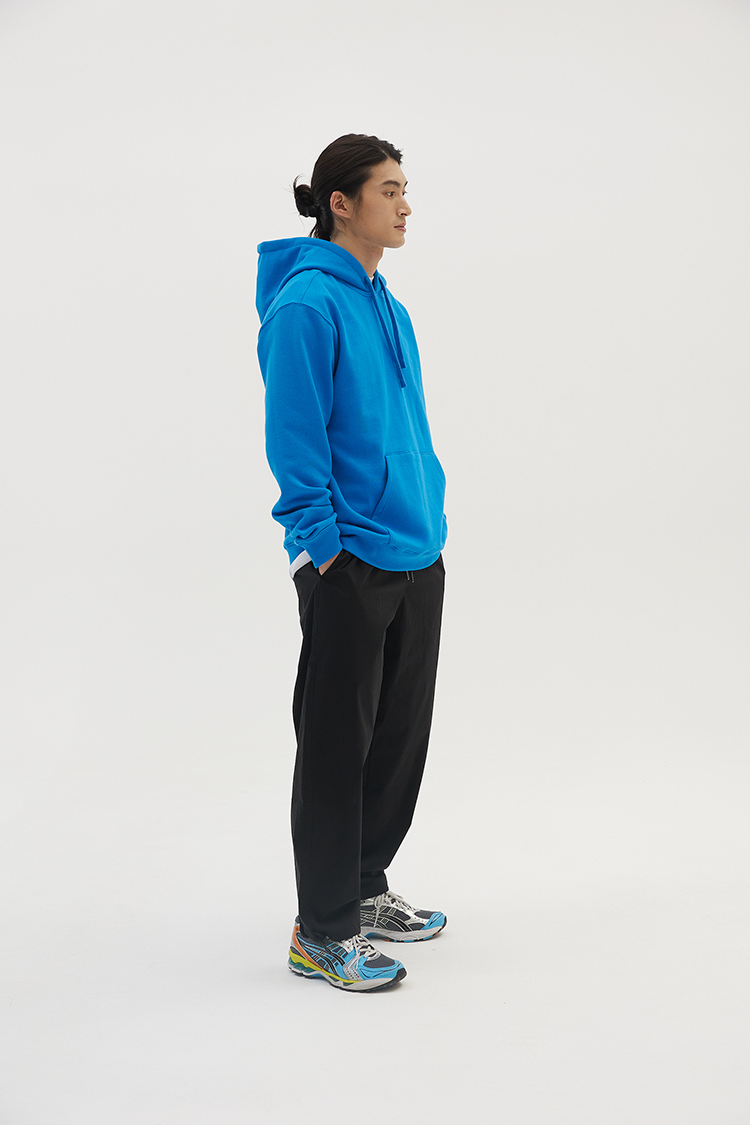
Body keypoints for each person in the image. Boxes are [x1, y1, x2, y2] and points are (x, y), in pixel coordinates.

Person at [256, 134, 447, 992]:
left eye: (406, 189)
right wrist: (323, 547)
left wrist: (431, 520)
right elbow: (294, 440)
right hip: (349, 560)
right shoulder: (307, 304)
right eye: (389, 189)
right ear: (342, 202)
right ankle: (322, 930)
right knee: (337, 745)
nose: (405, 205)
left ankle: (364, 888)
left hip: (415, 550)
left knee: (398, 739)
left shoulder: (387, 304)